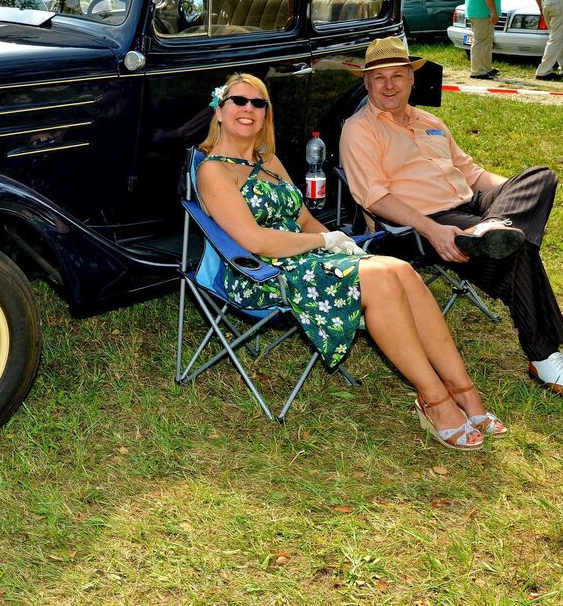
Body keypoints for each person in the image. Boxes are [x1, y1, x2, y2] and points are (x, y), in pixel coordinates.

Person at [197, 73, 502, 449]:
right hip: (263, 273)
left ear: (265, 115)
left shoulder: (269, 160)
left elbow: (304, 216)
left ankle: (464, 390)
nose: (248, 110)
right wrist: (323, 240)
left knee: (401, 269)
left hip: (307, 257)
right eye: (239, 101)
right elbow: (254, 240)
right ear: (220, 111)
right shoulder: (214, 169)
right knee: (381, 279)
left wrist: (338, 242)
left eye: (258, 104)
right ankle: (435, 400)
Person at [340, 36, 563, 400]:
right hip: (425, 221)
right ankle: (544, 356)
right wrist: (432, 229)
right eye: (379, 78)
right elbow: (374, 197)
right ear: (366, 83)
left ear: (412, 80)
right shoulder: (360, 129)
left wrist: (515, 196)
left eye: (397, 76)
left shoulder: (431, 121)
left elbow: (473, 173)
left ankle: (496, 227)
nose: (389, 85)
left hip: (475, 208)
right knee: (517, 251)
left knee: (540, 177)